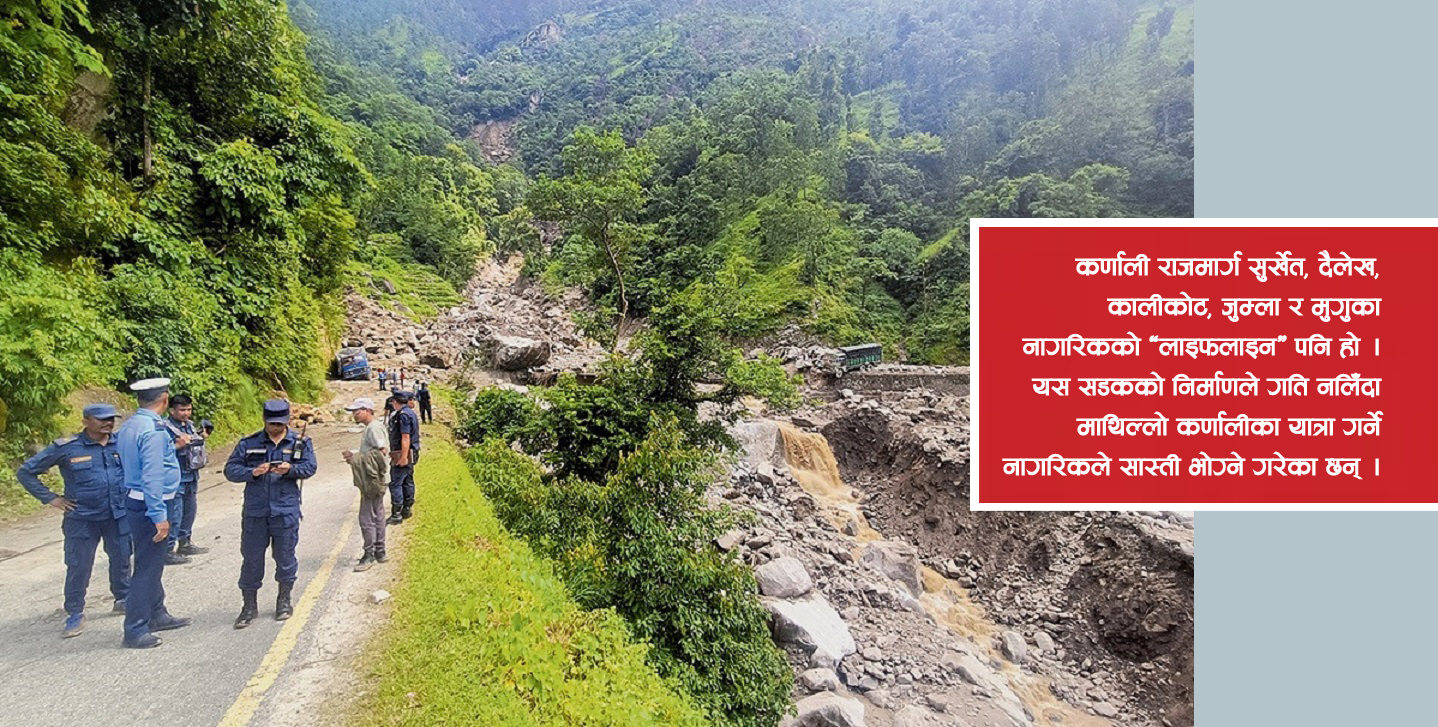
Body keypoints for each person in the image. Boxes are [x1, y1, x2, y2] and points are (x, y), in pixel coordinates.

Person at [16, 403, 132, 638]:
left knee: (122, 559)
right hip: (82, 518)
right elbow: (26, 472)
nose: (108, 423)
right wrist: (50, 498)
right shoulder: (67, 448)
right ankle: (75, 613)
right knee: (79, 566)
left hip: (117, 514)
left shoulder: (120, 443)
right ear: (86, 421)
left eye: (111, 419)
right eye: (101, 419)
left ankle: (123, 598)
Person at [224, 399, 317, 629]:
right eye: (272, 423)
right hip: (256, 511)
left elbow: (310, 467)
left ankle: (284, 600)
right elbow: (230, 470)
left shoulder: (300, 442)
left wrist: (290, 470)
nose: (276, 428)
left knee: (285, 558)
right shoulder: (249, 443)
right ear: (264, 420)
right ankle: (248, 606)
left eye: (280, 424)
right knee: (252, 559)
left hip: (285, 510)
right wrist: (252, 472)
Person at [115, 378, 192, 649]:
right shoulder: (154, 430)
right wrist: (159, 515)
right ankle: (135, 628)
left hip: (137, 501)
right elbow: (152, 475)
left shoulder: (130, 426)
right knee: (147, 568)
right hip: (152, 504)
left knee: (152, 563)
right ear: (165, 400)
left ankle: (156, 613)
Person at [342, 398, 388, 571]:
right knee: (378, 513)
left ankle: (369, 554)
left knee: (367, 517)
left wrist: (356, 459)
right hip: (375, 478)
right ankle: (380, 551)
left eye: (358, 410)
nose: (355, 414)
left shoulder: (374, 428)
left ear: (368, 410)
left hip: (373, 479)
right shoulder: (372, 427)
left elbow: (381, 452)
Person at [165, 394, 210, 562]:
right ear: (172, 410)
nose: (186, 413)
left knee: (190, 510)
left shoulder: (190, 426)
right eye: (182, 410)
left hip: (191, 474)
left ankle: (185, 542)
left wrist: (202, 436)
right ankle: (168, 550)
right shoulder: (165, 428)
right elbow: (161, 451)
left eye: (189, 409)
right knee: (175, 514)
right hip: (175, 476)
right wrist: (178, 445)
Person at [385, 392, 419, 525]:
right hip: (411, 452)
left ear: (395, 402)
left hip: (403, 453)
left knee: (396, 482)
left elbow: (405, 437)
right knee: (407, 480)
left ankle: (396, 513)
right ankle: (407, 508)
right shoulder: (410, 413)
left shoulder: (403, 415)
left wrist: (403, 457)